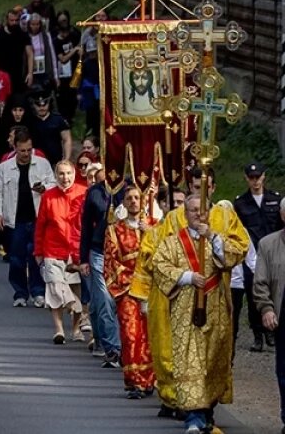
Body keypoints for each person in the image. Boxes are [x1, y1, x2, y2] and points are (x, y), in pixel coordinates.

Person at [151, 193, 249, 434]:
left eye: (202, 210)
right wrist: (186, 277)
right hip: (186, 311)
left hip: (215, 308)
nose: (198, 214)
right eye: (193, 210)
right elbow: (158, 264)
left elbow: (236, 254)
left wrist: (212, 237)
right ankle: (193, 417)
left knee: (212, 360)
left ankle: (207, 413)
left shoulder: (216, 239)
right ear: (185, 214)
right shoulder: (173, 242)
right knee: (188, 361)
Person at [0, 129, 56, 307]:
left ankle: (38, 292)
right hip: (14, 220)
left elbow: (53, 184)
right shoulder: (4, 167)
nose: (26, 154)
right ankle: (20, 293)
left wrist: (44, 188)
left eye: (29, 150)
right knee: (16, 259)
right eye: (22, 151)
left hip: (37, 219)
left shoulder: (42, 164)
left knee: (36, 256)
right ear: (15, 148)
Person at [103, 184, 156, 398]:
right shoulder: (115, 230)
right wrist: (133, 282)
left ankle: (150, 379)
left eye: (137, 197)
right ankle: (134, 382)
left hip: (153, 290)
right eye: (129, 198)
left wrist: (151, 234)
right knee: (131, 335)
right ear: (124, 203)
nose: (133, 201)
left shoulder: (155, 226)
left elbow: (166, 255)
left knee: (151, 335)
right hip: (128, 291)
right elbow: (111, 262)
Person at [34, 160, 86, 344]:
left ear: (74, 174)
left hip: (77, 250)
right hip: (52, 249)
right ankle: (59, 329)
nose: (65, 178)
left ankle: (76, 329)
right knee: (55, 289)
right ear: (56, 176)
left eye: (68, 173)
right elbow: (40, 225)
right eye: (61, 174)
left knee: (75, 289)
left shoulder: (84, 193)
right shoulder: (48, 196)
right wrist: (38, 251)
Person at [234, 162, 282, 352]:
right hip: (251, 255)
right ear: (246, 178)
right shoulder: (240, 203)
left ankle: (271, 330)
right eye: (251, 177)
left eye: (258, 177)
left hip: (273, 253)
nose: (255, 181)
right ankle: (257, 334)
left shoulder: (275, 199)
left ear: (264, 177)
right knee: (253, 293)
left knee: (274, 290)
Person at [80, 161, 122, 367]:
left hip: (123, 253)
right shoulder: (94, 192)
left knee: (104, 302)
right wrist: (83, 258)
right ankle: (113, 348)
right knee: (105, 299)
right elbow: (86, 226)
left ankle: (103, 338)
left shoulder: (128, 189)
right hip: (99, 251)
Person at [250, 199, 285, 432]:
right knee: (284, 371)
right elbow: (260, 282)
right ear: (283, 216)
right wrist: (267, 309)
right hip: (283, 314)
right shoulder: (268, 244)